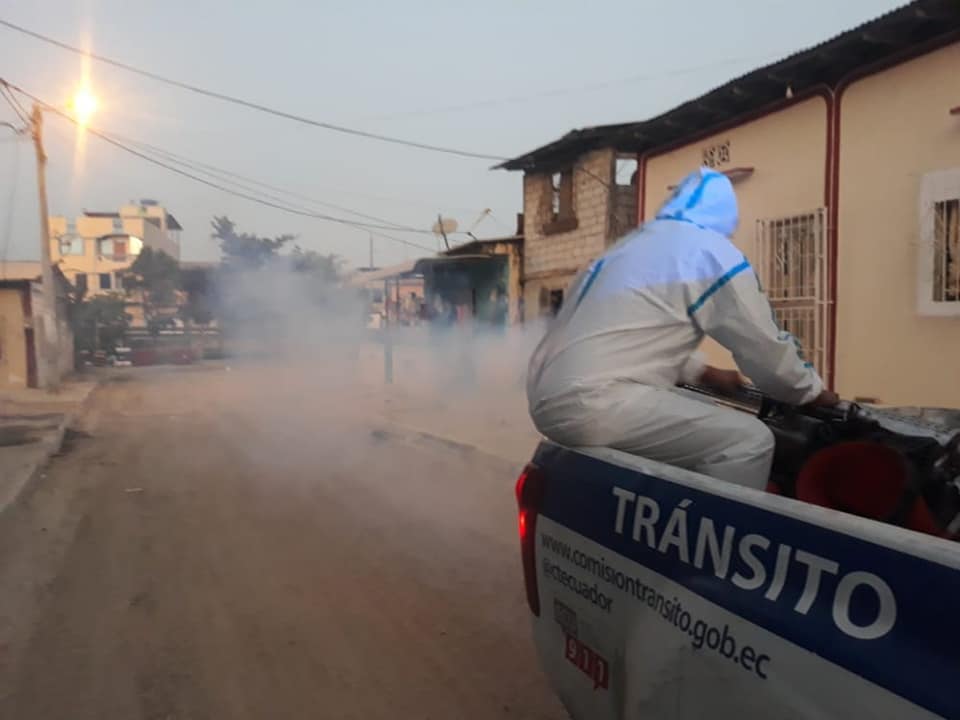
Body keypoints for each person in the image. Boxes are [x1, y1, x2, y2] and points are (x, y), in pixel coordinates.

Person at [526, 167, 838, 490]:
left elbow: (627, 334)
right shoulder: (710, 252)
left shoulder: (626, 250)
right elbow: (763, 348)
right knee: (748, 441)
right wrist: (809, 392)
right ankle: (713, 523)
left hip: (547, 399)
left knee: (702, 412)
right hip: (594, 403)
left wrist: (703, 372)